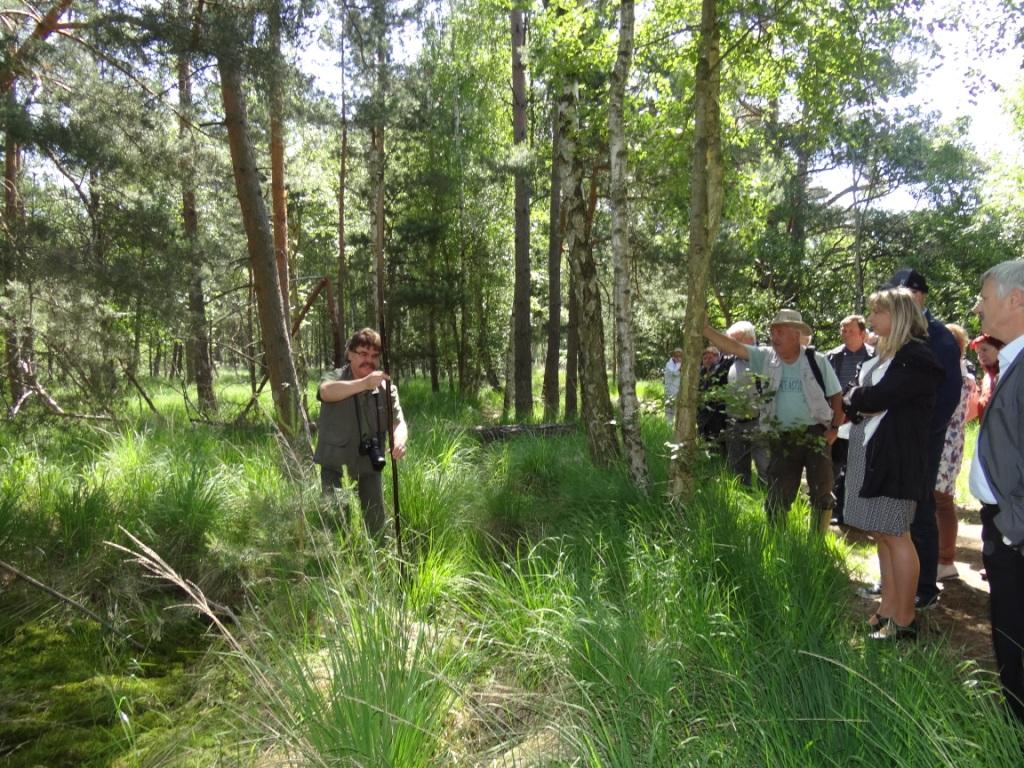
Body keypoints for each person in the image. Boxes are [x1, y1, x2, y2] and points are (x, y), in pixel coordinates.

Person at [844, 288, 941, 640]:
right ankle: (887, 608)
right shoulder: (890, 354)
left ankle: (904, 619)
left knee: (897, 534)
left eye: (876, 313)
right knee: (882, 533)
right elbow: (859, 393)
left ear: (896, 315)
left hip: (895, 458)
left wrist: (856, 397)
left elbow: (874, 397)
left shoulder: (916, 357)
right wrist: (858, 397)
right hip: (874, 454)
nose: (871, 320)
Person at [704, 309, 844, 531]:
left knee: (822, 490)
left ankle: (816, 544)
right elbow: (734, 347)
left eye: (780, 332)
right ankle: (779, 540)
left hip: (816, 433)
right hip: (781, 436)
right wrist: (704, 328)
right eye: (772, 332)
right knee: (777, 494)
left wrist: (834, 428)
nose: (773, 337)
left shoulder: (816, 360)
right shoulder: (766, 357)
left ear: (796, 335)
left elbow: (837, 396)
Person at [883, 268, 960, 611]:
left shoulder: (938, 337)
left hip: (922, 440)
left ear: (920, 296)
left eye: (906, 295)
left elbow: (949, 394)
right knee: (896, 510)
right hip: (897, 438)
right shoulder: (898, 336)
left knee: (920, 508)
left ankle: (924, 587)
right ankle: (898, 583)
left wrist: (923, 434)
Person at [969, 259, 1024, 723]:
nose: (978, 308)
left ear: (1016, 299)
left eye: (984, 298)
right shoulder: (1013, 359)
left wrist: (1012, 527)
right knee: (1009, 631)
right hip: (1007, 525)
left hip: (1014, 530)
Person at [314, 328, 408, 537]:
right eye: (363, 354)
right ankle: (336, 567)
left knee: (376, 525)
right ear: (350, 354)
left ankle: (380, 563)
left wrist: (399, 440)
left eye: (374, 356)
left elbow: (398, 422)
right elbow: (325, 392)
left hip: (369, 467)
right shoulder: (335, 377)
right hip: (335, 466)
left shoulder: (386, 387)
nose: (369, 360)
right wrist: (363, 384)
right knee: (335, 526)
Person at [934, 324, 979, 582]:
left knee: (941, 499)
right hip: (949, 439)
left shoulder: (959, 374)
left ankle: (945, 559)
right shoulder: (960, 372)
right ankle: (939, 557)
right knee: (937, 499)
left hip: (946, 442)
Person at [827, 315, 875, 525]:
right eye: (842, 330)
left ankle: (853, 514)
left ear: (863, 334)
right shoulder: (832, 356)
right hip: (836, 418)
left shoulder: (876, 357)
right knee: (833, 466)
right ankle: (832, 510)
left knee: (857, 468)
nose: (845, 334)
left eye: (850, 331)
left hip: (863, 420)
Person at [724, 320, 769, 486]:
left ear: (750, 339)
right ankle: (744, 503)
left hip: (759, 422)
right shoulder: (732, 361)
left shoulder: (763, 358)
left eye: (734, 340)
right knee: (738, 472)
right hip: (735, 424)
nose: (730, 345)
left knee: (766, 470)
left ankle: (772, 508)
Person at [697, 345, 731, 447]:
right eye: (705, 358)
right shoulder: (700, 374)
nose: (707, 360)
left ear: (717, 358)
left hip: (718, 415)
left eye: (711, 357)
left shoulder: (722, 372)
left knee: (718, 442)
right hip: (703, 415)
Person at [971, 333, 1004, 420]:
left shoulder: (1011, 373)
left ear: (1000, 348)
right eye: (978, 352)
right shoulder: (986, 378)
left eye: (984, 350)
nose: (980, 355)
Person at [664, 347, 683, 422]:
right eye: (676, 355)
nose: (678, 357)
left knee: (678, 411)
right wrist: (680, 363)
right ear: (673, 356)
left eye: (680, 355)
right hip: (670, 391)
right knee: (669, 412)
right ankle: (667, 429)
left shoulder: (681, 364)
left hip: (679, 391)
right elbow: (675, 372)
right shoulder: (669, 364)